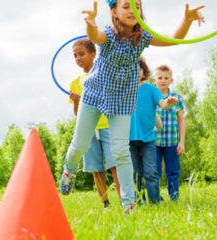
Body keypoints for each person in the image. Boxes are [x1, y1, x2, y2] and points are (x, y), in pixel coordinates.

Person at [59, 0, 204, 214]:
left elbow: (173, 40)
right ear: (114, 12)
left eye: (137, 6)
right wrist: (90, 23)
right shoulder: (108, 33)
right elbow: (95, 36)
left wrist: (187, 20)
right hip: (94, 94)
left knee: (121, 152)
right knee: (80, 145)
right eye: (127, 6)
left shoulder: (142, 37)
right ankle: (69, 171)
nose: (133, 10)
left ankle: (129, 204)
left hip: (122, 99)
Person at [69, 38, 121, 208]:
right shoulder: (75, 83)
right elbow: (78, 114)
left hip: (107, 125)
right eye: (75, 55)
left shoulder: (102, 74)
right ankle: (105, 203)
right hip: (89, 130)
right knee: (95, 167)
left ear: (93, 54)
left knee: (115, 164)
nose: (78, 58)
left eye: (81, 54)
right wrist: (77, 101)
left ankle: (124, 201)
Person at [129, 57, 177, 205]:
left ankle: (154, 202)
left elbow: (163, 105)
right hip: (129, 138)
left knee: (151, 172)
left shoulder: (151, 89)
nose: (135, 71)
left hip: (148, 138)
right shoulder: (124, 90)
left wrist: (167, 102)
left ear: (144, 71)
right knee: (136, 173)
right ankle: (139, 201)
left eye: (138, 68)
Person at [155, 65, 186, 201]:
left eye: (166, 78)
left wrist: (182, 141)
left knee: (173, 172)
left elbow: (181, 120)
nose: (163, 80)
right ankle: (155, 197)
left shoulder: (176, 97)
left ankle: (174, 197)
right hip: (153, 141)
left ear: (171, 80)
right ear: (154, 80)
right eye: (160, 78)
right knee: (154, 172)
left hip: (172, 141)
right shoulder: (152, 96)